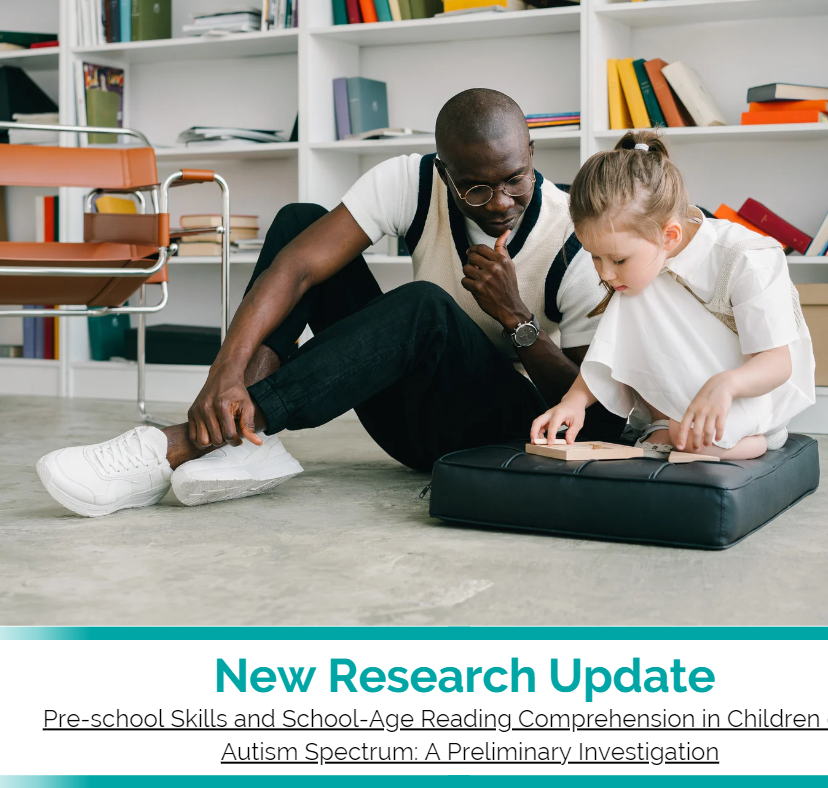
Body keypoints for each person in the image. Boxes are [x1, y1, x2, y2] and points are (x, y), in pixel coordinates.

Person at [36, 88, 625, 517]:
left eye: (514, 179)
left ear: (531, 152)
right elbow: (295, 269)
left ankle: (177, 445)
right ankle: (241, 437)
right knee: (301, 224)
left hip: (499, 432)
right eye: (475, 185)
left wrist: (516, 320)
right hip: (406, 421)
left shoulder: (574, 241)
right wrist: (223, 374)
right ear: (443, 171)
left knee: (424, 308)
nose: (499, 201)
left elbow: (595, 422)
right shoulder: (411, 182)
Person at [531, 130, 816, 460]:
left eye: (618, 259)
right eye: (595, 257)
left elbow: (779, 364)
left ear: (670, 235)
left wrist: (726, 385)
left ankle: (766, 437)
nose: (605, 273)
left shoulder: (747, 257)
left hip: (752, 390)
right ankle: (666, 420)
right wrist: (574, 402)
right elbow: (609, 349)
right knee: (634, 289)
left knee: (689, 436)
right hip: (687, 398)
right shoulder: (638, 267)